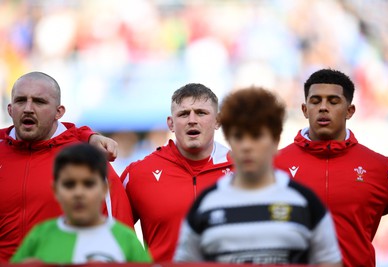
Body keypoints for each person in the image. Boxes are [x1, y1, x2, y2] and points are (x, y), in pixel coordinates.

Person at [174, 87, 342, 266]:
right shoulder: (205, 204)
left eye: (256, 136)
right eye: (238, 136)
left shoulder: (305, 202)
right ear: (229, 141)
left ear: (276, 140)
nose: (247, 146)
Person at [0, 72, 133, 262]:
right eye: (21, 100)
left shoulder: (87, 157)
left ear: (59, 112)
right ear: (10, 109)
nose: (28, 108)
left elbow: (120, 232)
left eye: (39, 101)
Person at [274, 69, 388, 267]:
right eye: (315, 101)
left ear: (350, 111)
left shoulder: (379, 167)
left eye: (333, 101)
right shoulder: (274, 165)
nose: (323, 108)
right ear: (305, 109)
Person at [121, 83, 233, 261]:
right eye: (183, 114)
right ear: (171, 124)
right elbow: (114, 236)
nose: (192, 120)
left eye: (201, 113)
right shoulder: (138, 174)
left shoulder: (242, 171)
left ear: (218, 121)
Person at [11, 143, 151, 264]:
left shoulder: (126, 239)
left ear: (104, 189)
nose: (79, 193)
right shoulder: (39, 237)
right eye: (69, 184)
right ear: (55, 189)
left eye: (88, 184)